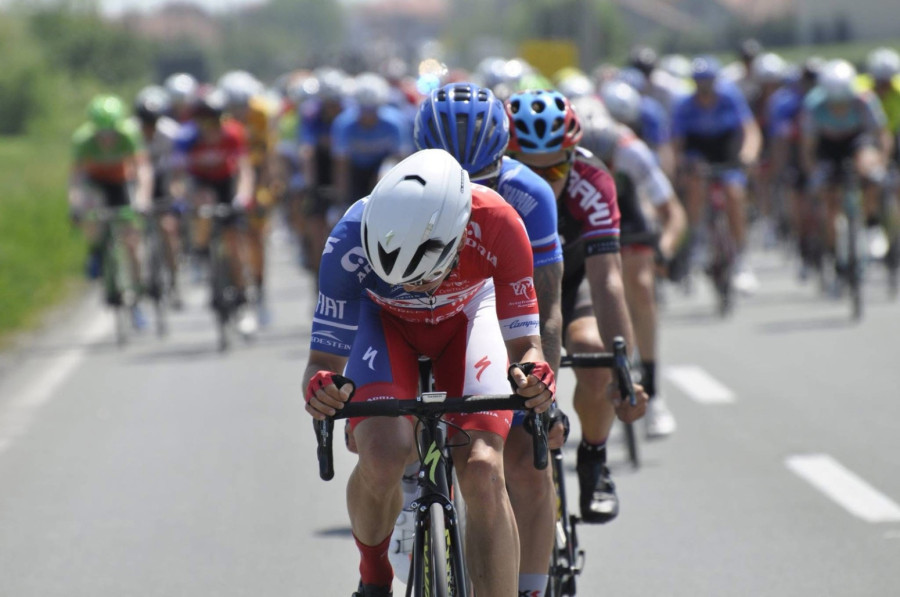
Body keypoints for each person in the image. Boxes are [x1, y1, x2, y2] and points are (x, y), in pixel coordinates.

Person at [303, 148, 556, 597]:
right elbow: (322, 365)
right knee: (381, 456)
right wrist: (321, 390)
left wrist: (533, 376)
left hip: (469, 318)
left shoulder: (499, 222)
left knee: (481, 467)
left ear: (459, 236)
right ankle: (374, 576)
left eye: (424, 277)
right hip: (383, 323)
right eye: (399, 278)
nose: (414, 289)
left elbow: (526, 347)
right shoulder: (346, 242)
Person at [413, 81, 564, 595]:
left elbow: (543, 311)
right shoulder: (396, 189)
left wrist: (543, 399)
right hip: (420, 315)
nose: (470, 195)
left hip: (501, 314)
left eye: (483, 180)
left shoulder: (530, 195)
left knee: (523, 455)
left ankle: (530, 587)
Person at [506, 89, 648, 525]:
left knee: (592, 352)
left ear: (574, 153)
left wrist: (624, 366)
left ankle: (594, 457)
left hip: (574, 282)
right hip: (511, 293)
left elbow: (607, 278)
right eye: (530, 167)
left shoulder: (591, 177)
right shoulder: (494, 182)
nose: (545, 179)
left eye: (557, 165)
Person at [576, 101, 687, 438]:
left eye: (606, 160)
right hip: (582, 215)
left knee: (639, 284)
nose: (602, 167)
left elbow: (672, 212)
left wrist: (664, 250)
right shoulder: (563, 163)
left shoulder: (633, 152)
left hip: (628, 217)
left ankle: (653, 390)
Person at [672, 55, 762, 295]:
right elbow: (678, 144)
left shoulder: (730, 97)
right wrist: (681, 165)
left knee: (734, 194)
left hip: (726, 147)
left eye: (709, 82)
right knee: (695, 186)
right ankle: (697, 241)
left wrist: (748, 155)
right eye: (700, 82)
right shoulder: (684, 105)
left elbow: (749, 130)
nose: (705, 87)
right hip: (698, 149)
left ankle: (741, 259)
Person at [801, 59, 890, 282]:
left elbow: (882, 135)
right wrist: (813, 172)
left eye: (844, 101)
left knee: (869, 169)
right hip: (828, 147)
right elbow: (808, 147)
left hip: (856, 141)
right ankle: (834, 253)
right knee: (829, 201)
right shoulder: (813, 105)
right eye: (834, 102)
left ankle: (872, 225)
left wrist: (881, 162)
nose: (839, 107)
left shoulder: (864, 100)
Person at [69, 94, 153, 328]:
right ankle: (96, 250)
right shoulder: (83, 139)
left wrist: (141, 200)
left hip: (121, 183)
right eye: (101, 133)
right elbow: (76, 179)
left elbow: (143, 169)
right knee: (90, 210)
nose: (106, 138)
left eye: (111, 133)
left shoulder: (129, 134)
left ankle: (137, 295)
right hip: (95, 183)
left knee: (132, 241)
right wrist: (75, 206)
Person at [172, 88, 255, 311]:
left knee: (235, 243)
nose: (209, 127)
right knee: (204, 203)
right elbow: (178, 175)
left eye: (214, 120)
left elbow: (244, 170)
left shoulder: (233, 133)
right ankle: (200, 253)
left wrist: (243, 196)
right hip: (201, 184)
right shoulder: (186, 138)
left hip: (227, 182)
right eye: (203, 121)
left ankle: (242, 293)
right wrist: (179, 196)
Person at [220, 70, 280, 324]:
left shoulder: (262, 114)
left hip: (257, 171)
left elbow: (269, 154)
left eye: (242, 106)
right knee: (230, 235)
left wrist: (267, 190)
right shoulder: (220, 118)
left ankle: (259, 285)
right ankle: (234, 281)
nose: (238, 112)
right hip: (230, 175)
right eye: (233, 107)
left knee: (256, 233)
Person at [134, 85, 183, 308]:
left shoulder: (171, 132)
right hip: (137, 181)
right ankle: (138, 281)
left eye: (153, 122)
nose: (149, 128)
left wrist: (177, 192)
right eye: (144, 122)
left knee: (168, 227)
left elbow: (178, 169)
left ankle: (174, 279)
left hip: (164, 179)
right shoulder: (132, 133)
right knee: (133, 232)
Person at [331, 72, 410, 207]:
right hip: (355, 169)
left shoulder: (395, 123)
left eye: (372, 109)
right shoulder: (343, 124)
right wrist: (341, 200)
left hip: (382, 168)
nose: (368, 115)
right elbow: (341, 166)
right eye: (363, 109)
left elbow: (402, 161)